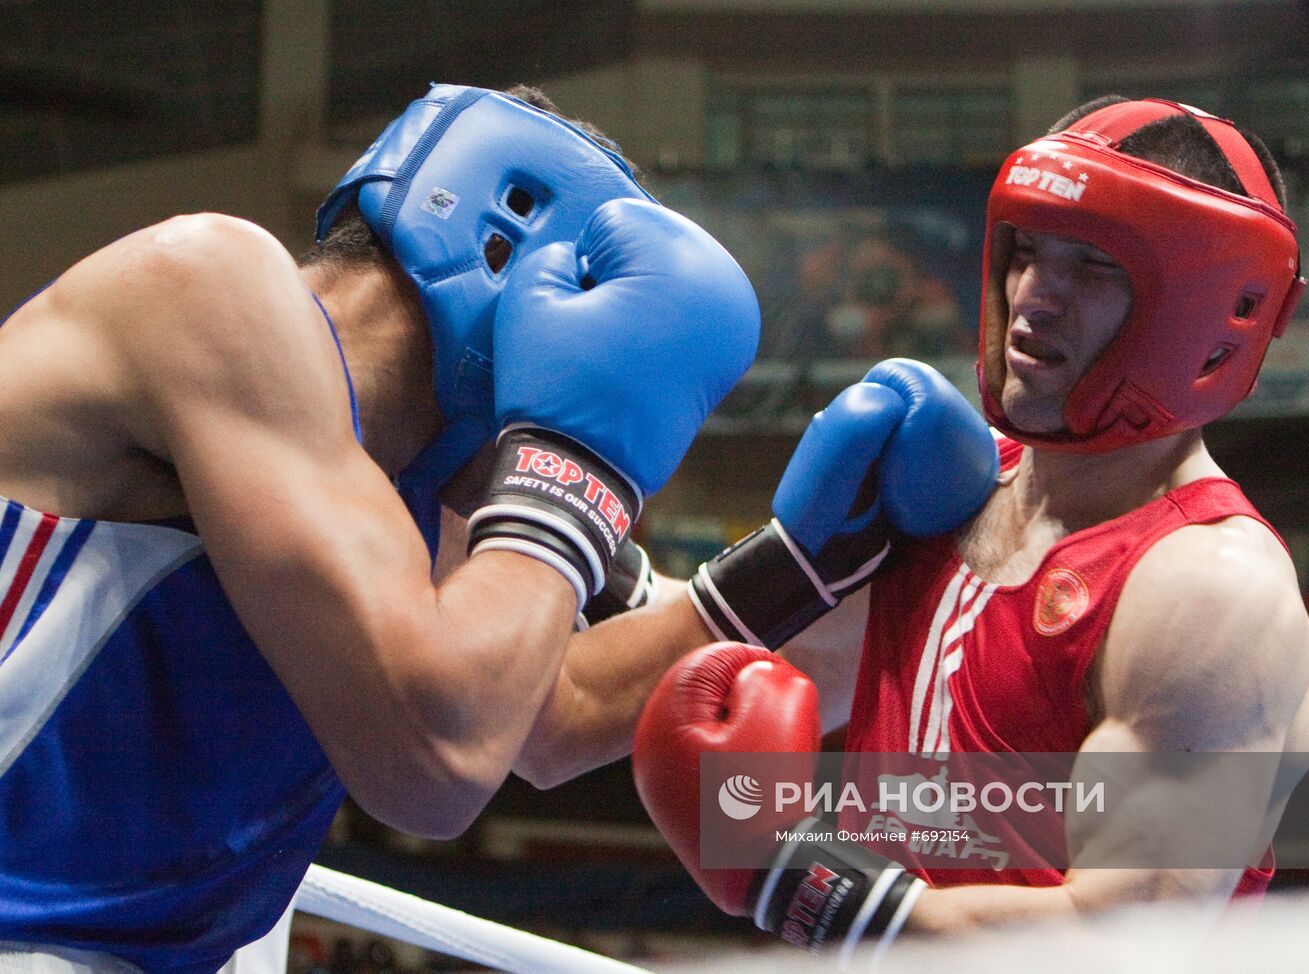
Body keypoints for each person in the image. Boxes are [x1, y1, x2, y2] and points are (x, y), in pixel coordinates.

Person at [518, 96, 1309, 963]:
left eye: (1091, 265)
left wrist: (794, 881)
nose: (1032, 297)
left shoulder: (1209, 592)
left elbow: (1124, 939)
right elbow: (742, 670)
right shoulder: (953, 489)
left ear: (1204, 316)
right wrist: (577, 547)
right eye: (1028, 250)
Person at [0, 82, 760, 974]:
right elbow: (441, 758)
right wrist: (578, 457)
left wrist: (828, 561)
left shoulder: (390, 496)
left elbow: (550, 716)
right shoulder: (205, 288)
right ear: (512, 256)